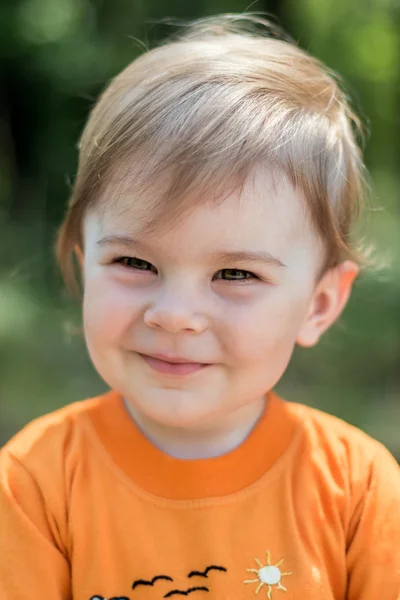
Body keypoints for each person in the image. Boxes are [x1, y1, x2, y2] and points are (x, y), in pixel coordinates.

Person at [1, 13, 399, 600]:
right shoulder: (33, 483)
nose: (174, 314)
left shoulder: (359, 490)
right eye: (135, 264)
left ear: (318, 304)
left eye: (235, 273)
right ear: (84, 265)